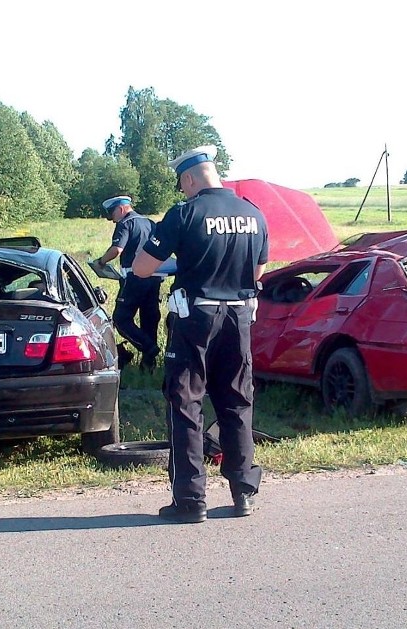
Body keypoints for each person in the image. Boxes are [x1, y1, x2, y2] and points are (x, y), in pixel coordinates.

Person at [132, 146, 269, 524]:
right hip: (239, 318)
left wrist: (177, 263)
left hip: (196, 319)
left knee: (186, 404)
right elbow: (257, 274)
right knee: (237, 402)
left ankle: (191, 501)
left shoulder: (184, 213)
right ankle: (243, 493)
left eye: (181, 184)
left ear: (190, 179)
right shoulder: (253, 213)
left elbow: (143, 268)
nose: (182, 190)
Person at [92, 195, 162, 371]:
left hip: (133, 277)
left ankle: (149, 348)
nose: (112, 218)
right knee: (149, 319)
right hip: (154, 277)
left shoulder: (125, 224)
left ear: (121, 209)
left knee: (121, 319)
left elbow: (117, 249)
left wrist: (101, 262)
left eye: (112, 213)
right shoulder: (150, 223)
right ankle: (148, 365)